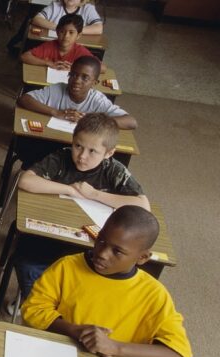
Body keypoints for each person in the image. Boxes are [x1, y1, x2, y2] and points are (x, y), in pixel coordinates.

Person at [21, 206, 195, 357]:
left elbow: (178, 355)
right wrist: (74, 330)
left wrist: (115, 347)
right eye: (101, 240)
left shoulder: (154, 294)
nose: (102, 254)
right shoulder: (67, 267)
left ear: (142, 257)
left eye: (117, 251)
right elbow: (33, 310)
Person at [13, 113, 149, 299]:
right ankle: (36, 301)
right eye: (78, 146)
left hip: (89, 245)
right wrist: (70, 189)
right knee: (28, 264)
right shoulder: (62, 157)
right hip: (52, 233)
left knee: (92, 277)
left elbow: (143, 205)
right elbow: (26, 181)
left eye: (93, 151)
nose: (82, 156)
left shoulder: (112, 169)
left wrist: (94, 194)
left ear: (109, 153)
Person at [17, 56, 137, 129]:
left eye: (85, 78)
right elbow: (24, 99)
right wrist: (56, 112)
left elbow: (131, 122)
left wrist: (90, 120)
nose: (77, 81)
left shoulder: (97, 100)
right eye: (73, 75)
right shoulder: (57, 89)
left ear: (94, 83)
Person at [21, 14, 106, 72]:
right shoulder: (50, 46)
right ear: (57, 32)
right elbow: (25, 56)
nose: (66, 36)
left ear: (78, 35)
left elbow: (102, 68)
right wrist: (48, 63)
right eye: (62, 31)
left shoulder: (80, 51)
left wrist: (75, 68)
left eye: (71, 33)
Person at [32, 0, 103, 35]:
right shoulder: (55, 6)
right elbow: (36, 19)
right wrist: (59, 28)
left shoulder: (88, 8)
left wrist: (73, 31)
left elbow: (99, 28)